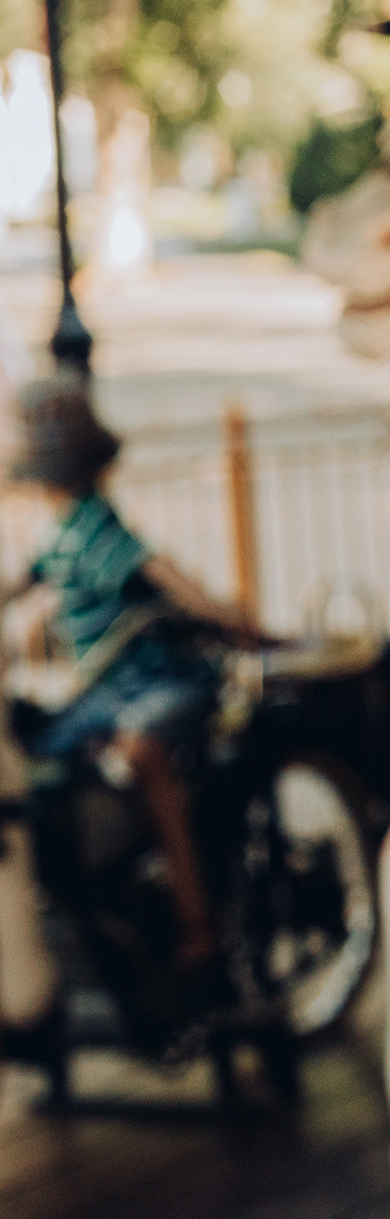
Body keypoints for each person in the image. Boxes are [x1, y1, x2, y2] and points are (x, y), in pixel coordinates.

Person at [4, 378, 254, 973]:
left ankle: (197, 923)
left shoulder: (95, 525)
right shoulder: (61, 533)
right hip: (101, 692)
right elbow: (21, 583)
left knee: (142, 753)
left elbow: (169, 580)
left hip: (151, 684)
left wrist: (237, 622)